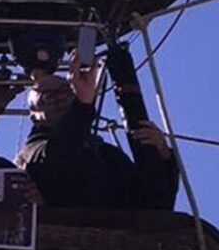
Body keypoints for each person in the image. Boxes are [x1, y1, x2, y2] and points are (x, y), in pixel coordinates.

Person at [14, 56, 179, 212]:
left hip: (121, 236)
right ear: (34, 116)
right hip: (68, 234)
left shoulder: (107, 154)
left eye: (66, 92)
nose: (60, 99)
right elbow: (56, 158)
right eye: (48, 97)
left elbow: (156, 203)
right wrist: (83, 104)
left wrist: (162, 156)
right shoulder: (32, 152)